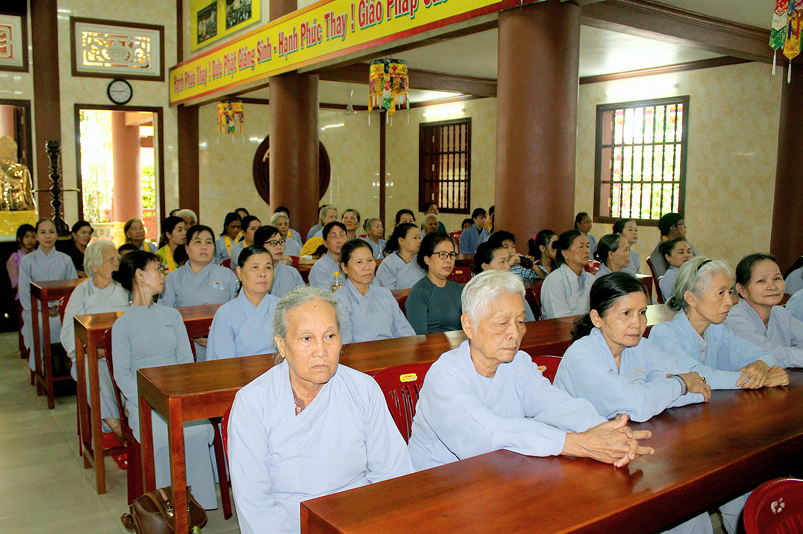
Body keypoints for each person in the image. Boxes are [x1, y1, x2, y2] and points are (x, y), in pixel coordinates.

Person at [407, 270, 653, 471]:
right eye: (502, 323)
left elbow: (557, 405)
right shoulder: (445, 377)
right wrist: (576, 443)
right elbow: (488, 433)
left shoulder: (518, 363)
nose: (515, 333)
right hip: (441, 486)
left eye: (521, 321)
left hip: (502, 473)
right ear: (468, 325)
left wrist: (608, 433)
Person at [227, 287, 413, 534]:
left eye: (330, 336)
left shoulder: (363, 389)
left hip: (361, 518)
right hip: (289, 522)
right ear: (281, 344)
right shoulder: (253, 403)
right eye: (306, 338)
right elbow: (255, 504)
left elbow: (393, 474)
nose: (321, 351)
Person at [554, 272, 713, 534]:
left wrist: (670, 388)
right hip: (580, 461)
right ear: (597, 318)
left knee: (690, 506)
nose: (637, 323)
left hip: (627, 450)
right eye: (625, 314)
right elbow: (641, 403)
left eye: (642, 313)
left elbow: (697, 388)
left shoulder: (640, 346)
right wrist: (675, 386)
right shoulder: (582, 355)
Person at [110, 251, 217, 509]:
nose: (162, 275)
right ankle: (163, 507)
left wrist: (178, 397)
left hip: (177, 398)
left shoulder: (172, 316)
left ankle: (195, 506)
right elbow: (122, 374)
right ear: (139, 275)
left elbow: (186, 364)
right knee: (159, 434)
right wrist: (147, 402)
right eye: (157, 269)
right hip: (144, 403)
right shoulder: (122, 325)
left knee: (198, 429)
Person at [649, 257, 789, 391]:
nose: (729, 302)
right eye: (721, 293)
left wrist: (761, 366)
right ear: (691, 298)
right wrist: (756, 380)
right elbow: (697, 377)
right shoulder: (663, 334)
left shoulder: (717, 330)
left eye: (730, 292)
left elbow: (767, 355)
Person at [60, 240, 129, 438]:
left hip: (124, 352)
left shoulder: (125, 290)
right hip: (91, 354)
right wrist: (93, 351)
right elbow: (69, 332)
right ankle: (118, 430)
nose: (117, 263)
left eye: (118, 259)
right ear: (94, 265)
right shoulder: (81, 292)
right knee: (95, 375)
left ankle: (134, 423)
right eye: (111, 259)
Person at [160, 225, 239, 361]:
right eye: (198, 242)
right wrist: (193, 335)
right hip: (185, 342)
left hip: (223, 340)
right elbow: (163, 317)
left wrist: (217, 336)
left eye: (208, 242)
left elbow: (237, 312)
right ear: (187, 248)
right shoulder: (173, 279)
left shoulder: (228, 276)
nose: (204, 247)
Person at [724, 253, 803, 368]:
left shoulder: (780, 313)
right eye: (761, 281)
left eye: (777, 279)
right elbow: (767, 354)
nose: (772, 286)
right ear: (742, 289)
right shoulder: (734, 318)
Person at [19, 219, 78, 371]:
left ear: (57, 235)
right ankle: (43, 369)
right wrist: (43, 308)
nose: (47, 236)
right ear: (36, 236)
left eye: (51, 232)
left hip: (61, 310)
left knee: (72, 325)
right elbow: (24, 291)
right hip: (36, 311)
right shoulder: (27, 261)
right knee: (40, 326)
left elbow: (72, 289)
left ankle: (66, 367)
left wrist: (60, 307)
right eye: (43, 232)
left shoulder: (65, 259)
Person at [207, 246, 281, 360]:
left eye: (268, 267)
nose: (262, 273)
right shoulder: (225, 313)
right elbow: (223, 362)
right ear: (239, 272)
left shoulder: (283, 308)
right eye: (255, 267)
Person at [336, 239, 415, 344]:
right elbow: (345, 343)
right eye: (359, 262)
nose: (367, 267)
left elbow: (404, 331)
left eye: (370, 260)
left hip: (391, 350)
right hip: (359, 353)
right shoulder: (339, 300)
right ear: (344, 267)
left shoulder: (384, 294)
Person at [406, 232, 464, 335]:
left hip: (458, 343)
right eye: (442, 255)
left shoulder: (460, 290)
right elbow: (419, 337)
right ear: (427, 259)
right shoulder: (419, 292)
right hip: (430, 344)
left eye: (451, 255)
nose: (448, 260)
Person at [473, 242, 535, 321]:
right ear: (485, 266)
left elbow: (529, 321)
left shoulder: (513, 289)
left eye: (508, 260)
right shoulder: (475, 293)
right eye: (502, 262)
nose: (507, 266)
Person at [540, 230, 594, 319]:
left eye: (587, 246)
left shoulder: (591, 279)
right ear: (565, 253)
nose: (587, 251)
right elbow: (559, 319)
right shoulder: (555, 280)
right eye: (581, 246)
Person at [254, 226, 305, 299]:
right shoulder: (253, 273)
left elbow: (303, 299)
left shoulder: (292, 272)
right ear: (260, 247)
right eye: (273, 243)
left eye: (281, 242)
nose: (279, 247)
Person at [649, 213, 698, 278]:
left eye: (688, 252)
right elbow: (663, 278)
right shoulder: (658, 254)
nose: (685, 227)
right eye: (682, 224)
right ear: (673, 229)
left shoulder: (684, 245)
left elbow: (699, 263)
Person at [308, 222, 348, 291]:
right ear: (325, 243)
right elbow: (322, 295)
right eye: (333, 237)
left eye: (342, 235)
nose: (339, 241)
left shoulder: (353, 262)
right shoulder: (320, 266)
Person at [7, 223, 36, 301]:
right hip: (24, 295)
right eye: (26, 236)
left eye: (33, 237)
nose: (30, 240)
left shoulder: (40, 255)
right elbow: (15, 284)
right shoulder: (15, 258)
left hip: (43, 292)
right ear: (19, 238)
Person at [658, 237, 693, 302]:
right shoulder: (669, 278)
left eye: (688, 252)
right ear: (668, 257)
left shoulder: (692, 274)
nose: (687, 255)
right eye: (681, 252)